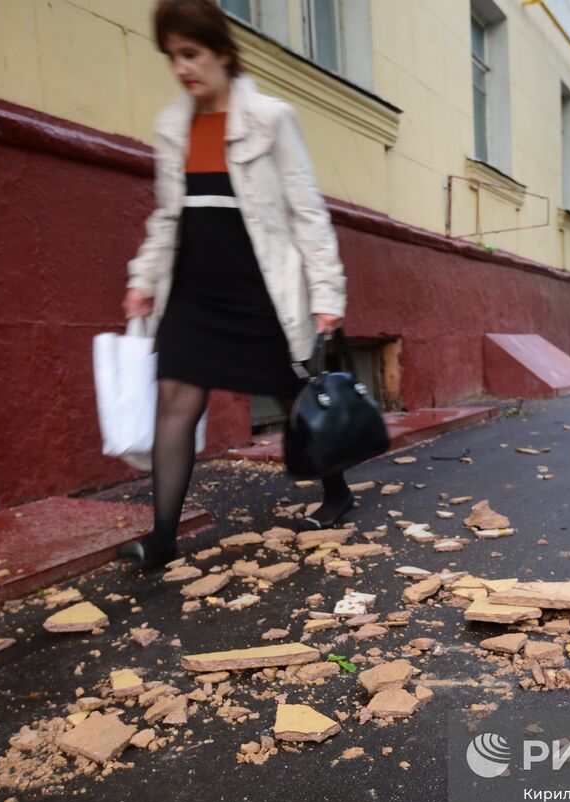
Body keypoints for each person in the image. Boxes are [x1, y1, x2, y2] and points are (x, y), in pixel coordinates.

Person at [117, 0, 351, 568]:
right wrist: (144, 277)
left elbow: (306, 211)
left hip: (261, 292)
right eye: (172, 57)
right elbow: (166, 215)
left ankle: (336, 490)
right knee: (176, 398)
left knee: (297, 399)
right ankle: (164, 536)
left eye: (191, 53)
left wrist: (326, 293)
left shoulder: (271, 119)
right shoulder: (174, 126)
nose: (181, 68)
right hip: (194, 292)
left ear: (222, 50)